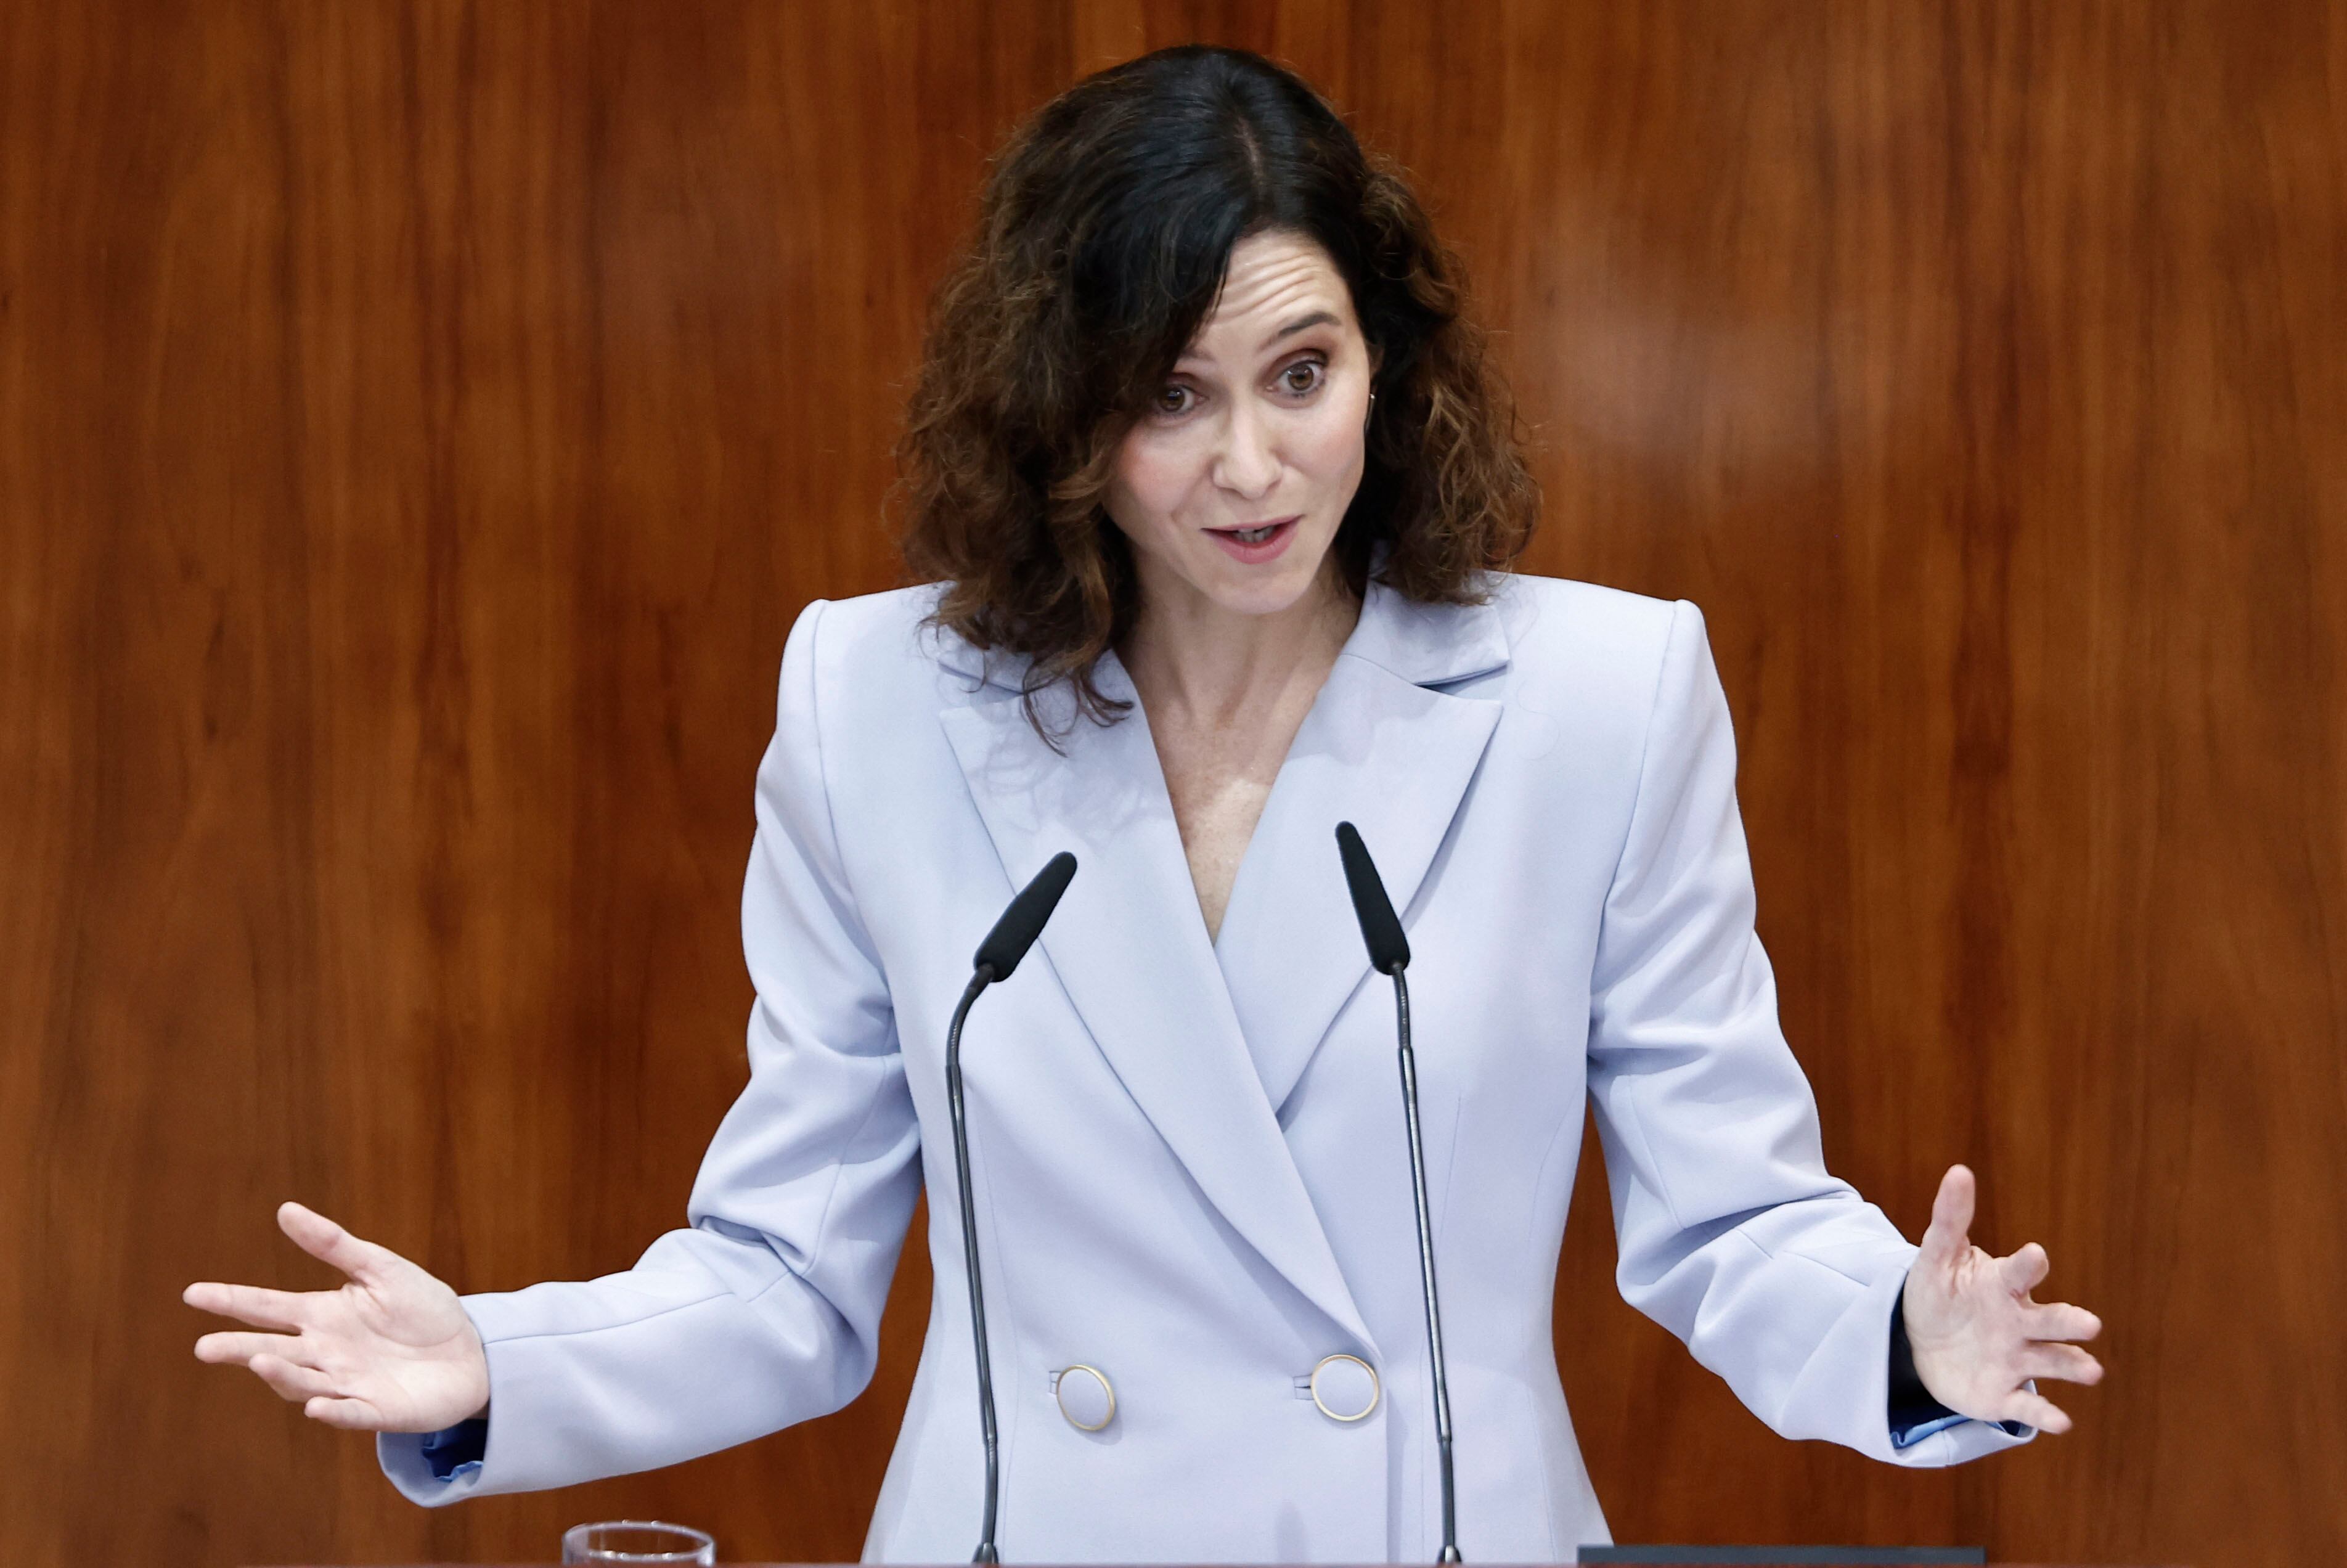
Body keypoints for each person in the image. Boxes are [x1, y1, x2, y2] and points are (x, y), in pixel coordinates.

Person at [186, 45, 2102, 1562]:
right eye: (1171, 395)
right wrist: (493, 1367)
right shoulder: (879, 708)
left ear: (1388, 368)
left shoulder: (1602, 701)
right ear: (1061, 411)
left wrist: (1904, 1345)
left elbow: (1730, 1218)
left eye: (1302, 372)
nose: (1252, 466)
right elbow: (786, 1274)